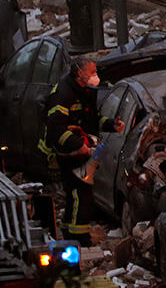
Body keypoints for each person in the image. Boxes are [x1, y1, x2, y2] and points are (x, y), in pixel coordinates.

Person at [39, 58, 123, 244]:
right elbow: (56, 130)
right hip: (64, 152)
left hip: (78, 151)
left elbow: (92, 119)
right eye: (92, 72)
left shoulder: (86, 91)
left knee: (74, 194)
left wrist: (111, 125)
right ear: (79, 73)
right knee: (81, 195)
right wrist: (79, 145)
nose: (96, 76)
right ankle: (79, 237)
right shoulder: (63, 94)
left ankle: (68, 229)